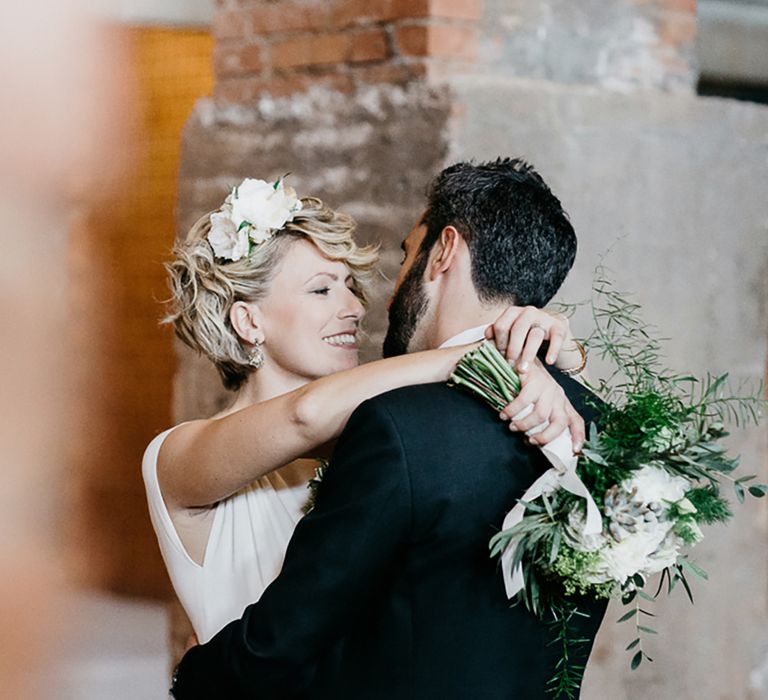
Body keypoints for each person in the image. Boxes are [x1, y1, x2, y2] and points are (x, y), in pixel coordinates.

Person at [168, 158, 607, 699]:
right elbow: (301, 415)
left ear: (443, 252)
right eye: (322, 290)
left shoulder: (392, 435)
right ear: (248, 319)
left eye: (351, 286)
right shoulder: (584, 422)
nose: (357, 307)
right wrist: (504, 351)